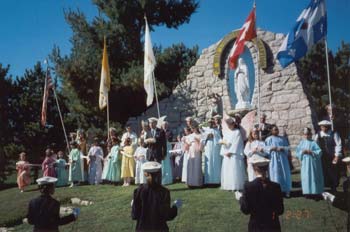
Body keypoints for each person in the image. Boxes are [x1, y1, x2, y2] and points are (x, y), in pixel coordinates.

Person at [131, 162, 181, 232]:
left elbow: (134, 215)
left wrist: (133, 205)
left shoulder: (138, 191)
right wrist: (175, 206)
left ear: (145, 174)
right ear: (159, 174)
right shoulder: (164, 192)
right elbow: (167, 215)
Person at [239, 156, 284, 232]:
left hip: (256, 226)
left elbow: (246, 210)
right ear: (267, 168)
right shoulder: (276, 186)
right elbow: (280, 210)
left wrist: (241, 200)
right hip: (273, 226)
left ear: (254, 168)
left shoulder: (248, 187)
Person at [220, 117, 247, 198]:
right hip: (227, 153)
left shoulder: (237, 132)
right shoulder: (226, 132)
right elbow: (224, 141)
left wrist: (231, 151)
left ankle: (235, 185)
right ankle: (228, 185)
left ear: (233, 124)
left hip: (234, 154)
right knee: (228, 169)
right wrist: (224, 150)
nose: (229, 126)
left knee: (234, 169)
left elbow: (237, 143)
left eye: (230, 124)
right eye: (227, 124)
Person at [295, 128, 324, 199]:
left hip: (313, 162)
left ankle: (315, 192)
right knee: (306, 176)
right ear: (303, 135)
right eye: (305, 134)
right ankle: (307, 192)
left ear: (310, 135)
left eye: (308, 134)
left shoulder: (314, 142)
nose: (306, 136)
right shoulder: (301, 143)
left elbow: (319, 152)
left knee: (314, 176)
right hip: (305, 162)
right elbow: (297, 152)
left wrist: (311, 152)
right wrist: (302, 152)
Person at [314, 120, 342, 192]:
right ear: (320, 127)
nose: (324, 128)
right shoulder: (318, 135)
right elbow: (315, 145)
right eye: (322, 127)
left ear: (328, 127)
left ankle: (334, 186)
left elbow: (338, 145)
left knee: (333, 171)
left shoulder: (334, 134)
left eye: (325, 127)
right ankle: (326, 186)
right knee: (324, 170)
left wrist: (337, 155)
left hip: (332, 155)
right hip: (323, 156)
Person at [265, 125, 292, 197]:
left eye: (277, 129)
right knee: (275, 174)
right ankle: (275, 191)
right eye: (274, 129)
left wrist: (283, 149)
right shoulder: (268, 139)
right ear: (271, 131)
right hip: (273, 159)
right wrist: (271, 148)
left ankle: (286, 190)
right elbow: (265, 149)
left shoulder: (283, 139)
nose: (276, 131)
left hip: (282, 158)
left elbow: (288, 148)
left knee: (284, 173)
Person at [202, 118, 222, 185]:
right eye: (209, 123)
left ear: (213, 123)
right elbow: (202, 139)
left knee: (215, 163)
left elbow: (219, 139)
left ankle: (216, 180)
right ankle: (208, 181)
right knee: (209, 163)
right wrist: (207, 136)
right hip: (208, 148)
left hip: (215, 149)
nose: (210, 124)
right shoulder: (206, 130)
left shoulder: (217, 130)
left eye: (211, 122)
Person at [186, 121, 204, 187]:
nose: (192, 129)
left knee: (197, 166)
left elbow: (202, 144)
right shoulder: (190, 135)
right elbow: (187, 144)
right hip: (191, 151)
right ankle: (191, 182)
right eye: (191, 128)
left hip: (197, 151)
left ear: (196, 128)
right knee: (191, 166)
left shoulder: (200, 135)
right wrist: (187, 144)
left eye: (193, 128)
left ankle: (197, 182)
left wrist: (198, 141)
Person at [161, 121, 173, 185]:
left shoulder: (169, 132)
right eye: (163, 125)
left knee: (167, 164)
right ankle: (162, 179)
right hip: (162, 149)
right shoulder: (160, 131)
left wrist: (165, 136)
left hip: (167, 147)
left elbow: (170, 138)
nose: (164, 126)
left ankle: (168, 179)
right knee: (162, 164)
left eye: (165, 125)